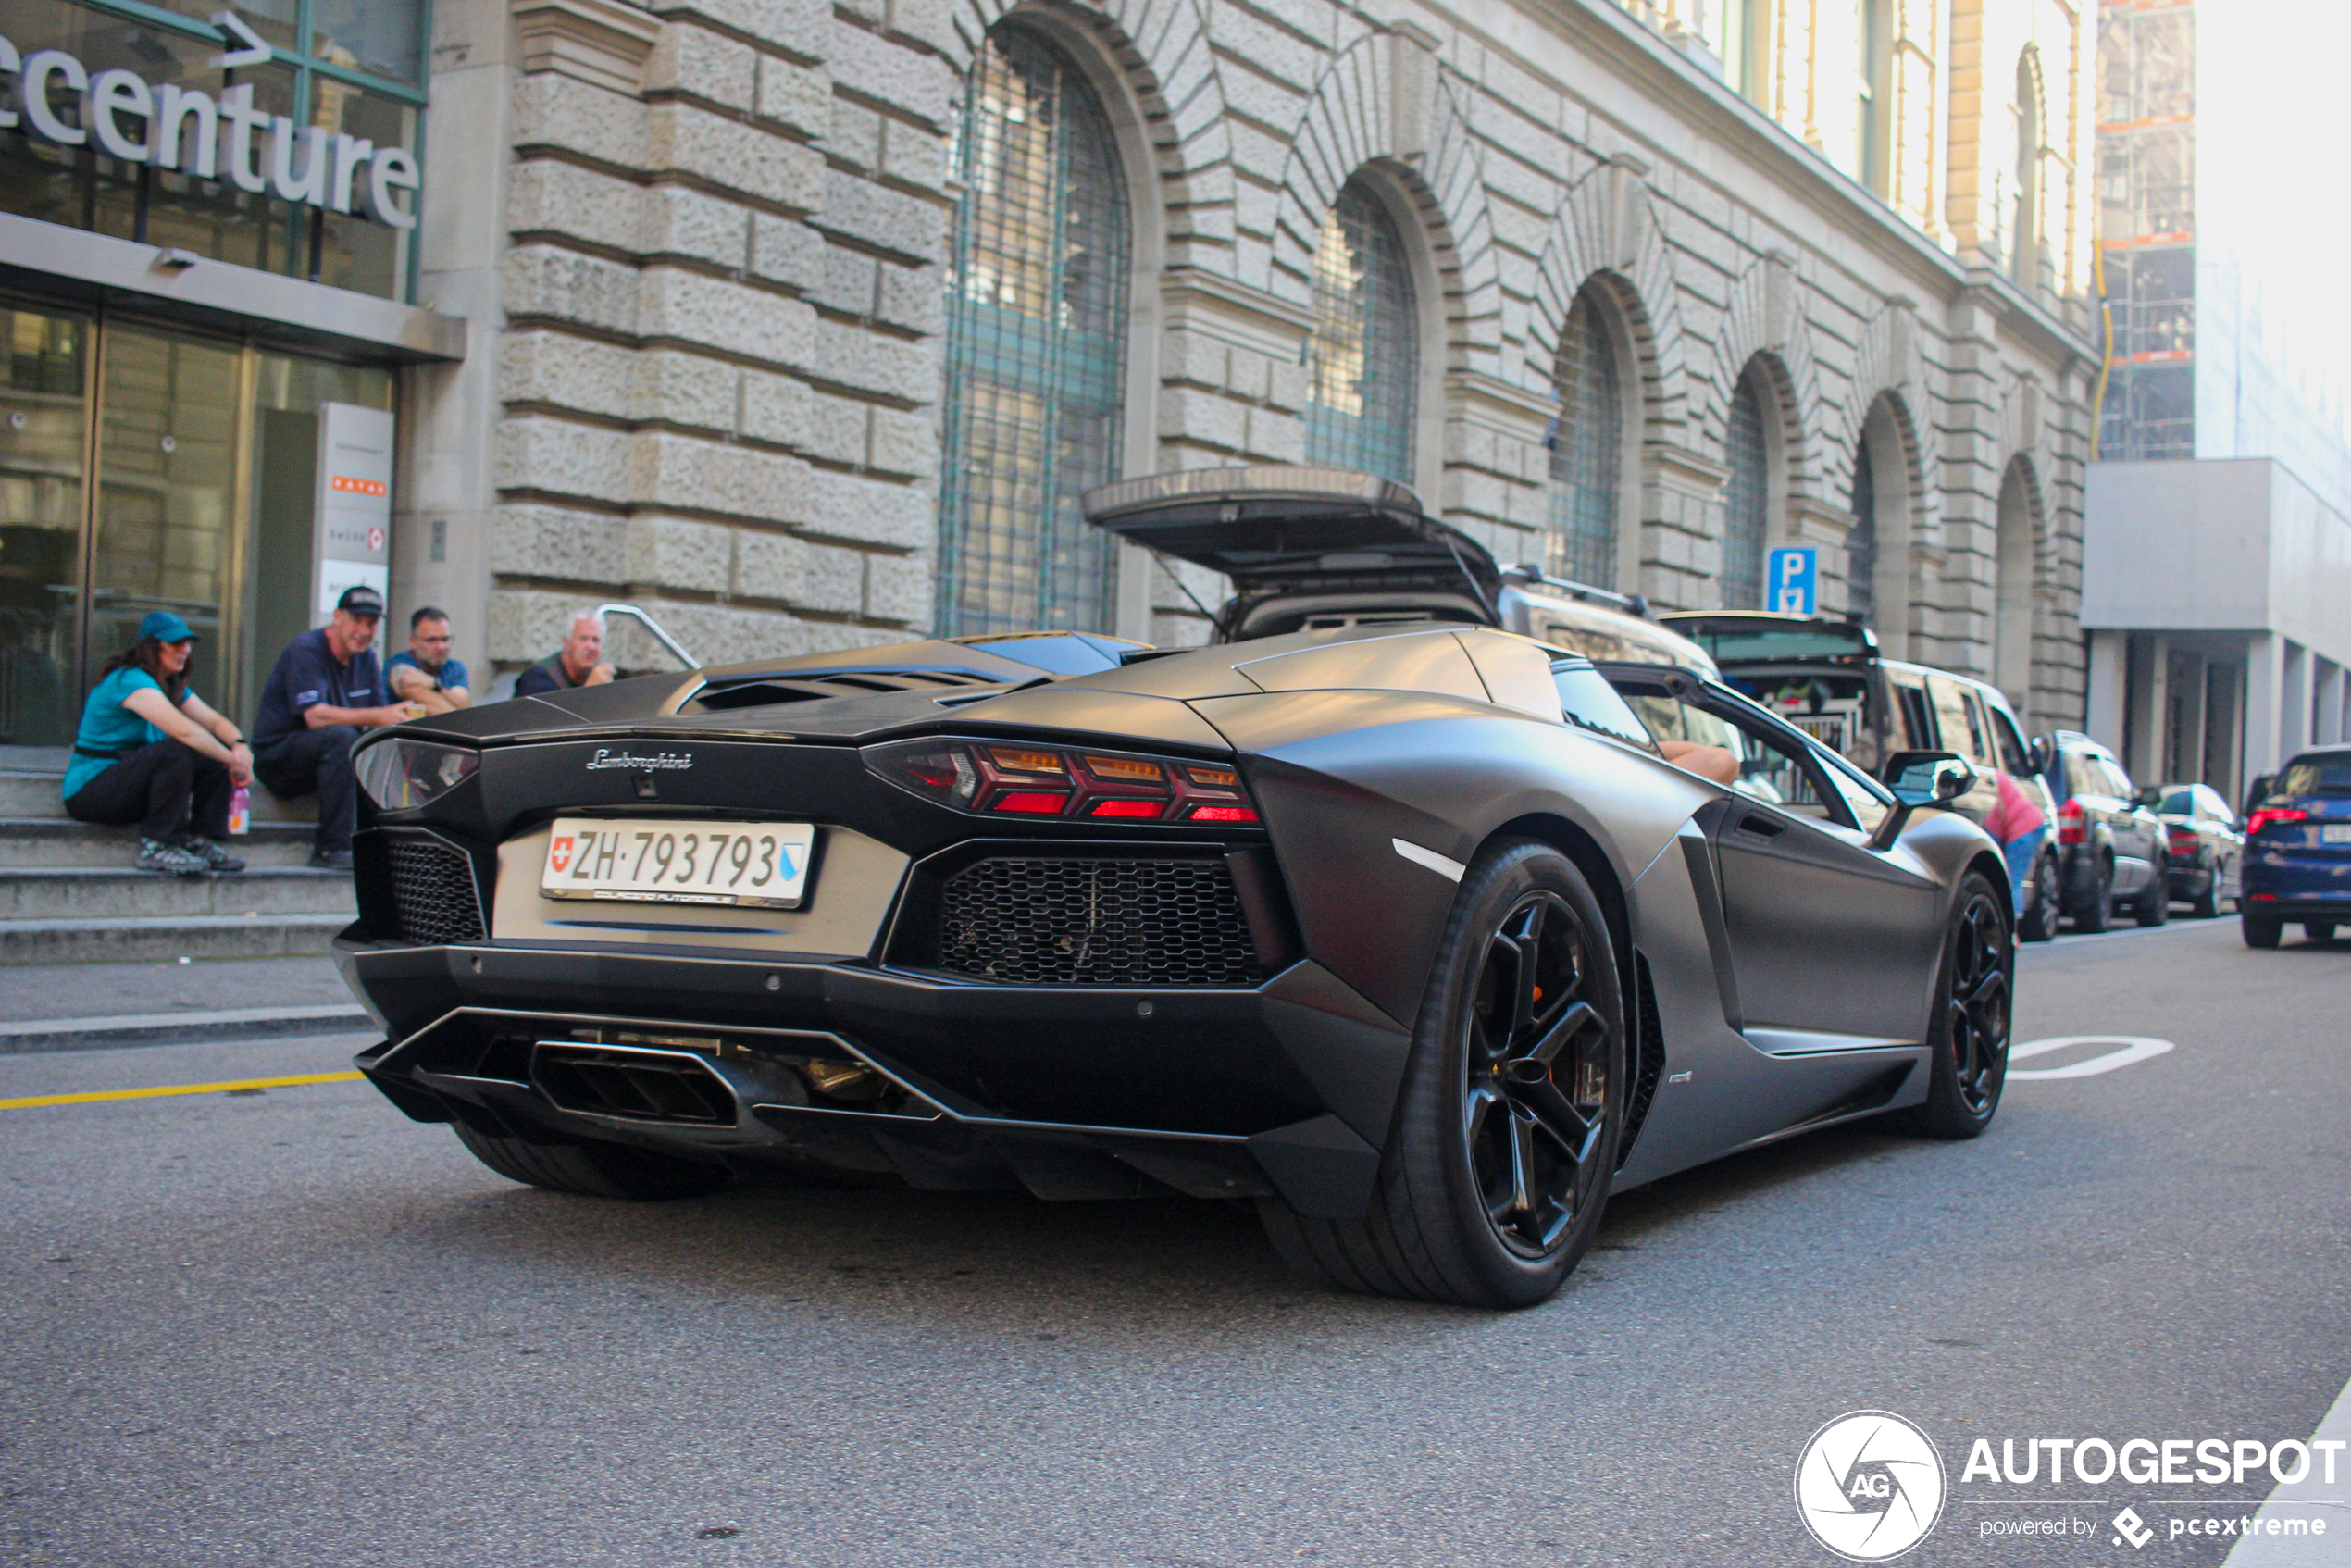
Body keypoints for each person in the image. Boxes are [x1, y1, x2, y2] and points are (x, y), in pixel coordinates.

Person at [62, 611, 251, 876]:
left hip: (132, 789)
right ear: (151, 647)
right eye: (176, 644)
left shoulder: (170, 686)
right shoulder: (128, 680)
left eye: (187, 644)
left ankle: (199, 841)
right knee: (179, 749)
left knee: (212, 753)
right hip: (91, 792)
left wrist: (239, 746)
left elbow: (215, 722)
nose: (184, 651)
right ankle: (157, 846)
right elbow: (184, 731)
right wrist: (232, 761)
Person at [252, 585, 422, 871]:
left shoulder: (366, 658)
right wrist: (381, 716)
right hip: (278, 760)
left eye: (371, 624)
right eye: (357, 621)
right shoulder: (306, 649)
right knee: (343, 738)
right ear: (337, 617)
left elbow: (380, 719)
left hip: (329, 762)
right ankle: (331, 848)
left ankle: (398, 843)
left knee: (384, 744)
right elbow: (315, 717)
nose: (364, 631)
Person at [1985, 766, 2050, 916]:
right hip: (2033, 823)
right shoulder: (1998, 778)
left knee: (2011, 879)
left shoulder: (1993, 780)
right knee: (2013, 878)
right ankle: (2014, 923)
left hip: (2023, 829)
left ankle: (2013, 923)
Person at [385, 606, 472, 715]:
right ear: (413, 641)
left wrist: (435, 685)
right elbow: (416, 693)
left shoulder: (455, 668)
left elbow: (464, 705)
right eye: (432, 640)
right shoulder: (399, 662)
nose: (441, 646)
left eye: (445, 639)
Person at [513, 608, 616, 698]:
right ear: (566, 643)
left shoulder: (594, 676)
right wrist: (588, 692)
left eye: (596, 640)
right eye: (583, 638)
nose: (591, 647)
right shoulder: (537, 679)